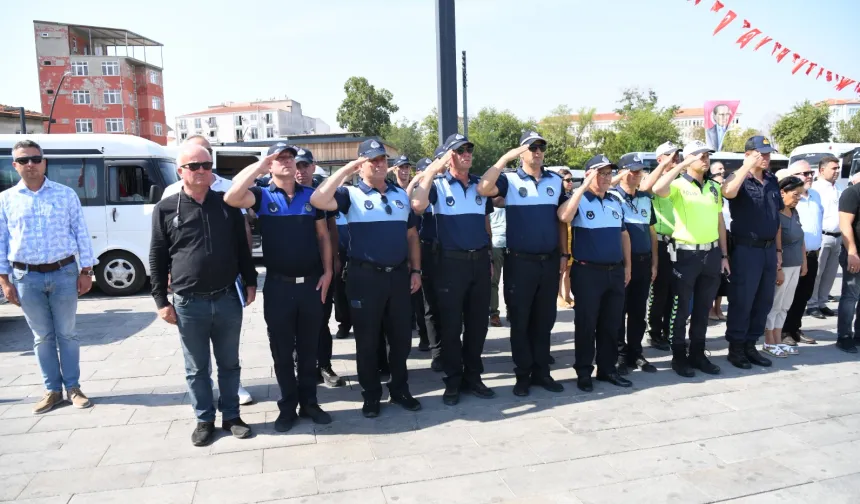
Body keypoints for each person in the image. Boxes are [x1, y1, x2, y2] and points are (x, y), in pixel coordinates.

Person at [150, 143, 257, 446]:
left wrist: (250, 283)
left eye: (206, 165)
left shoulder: (227, 205)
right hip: (188, 302)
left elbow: (242, 249)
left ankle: (232, 416)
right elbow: (157, 257)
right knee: (196, 368)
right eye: (193, 166)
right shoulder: (167, 208)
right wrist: (160, 301)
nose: (201, 171)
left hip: (226, 298)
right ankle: (204, 419)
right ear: (180, 171)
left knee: (229, 363)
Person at [223, 143, 334, 432]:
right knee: (282, 352)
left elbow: (323, 237)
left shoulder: (312, 197)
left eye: (290, 158)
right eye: (280, 158)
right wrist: (260, 165)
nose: (287, 162)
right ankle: (288, 406)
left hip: (311, 284)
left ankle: (310, 402)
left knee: (310, 350)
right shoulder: (260, 195)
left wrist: (329, 272)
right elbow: (233, 196)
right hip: (278, 286)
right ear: (270, 165)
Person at [310, 139, 423, 417]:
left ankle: (399, 389)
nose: (379, 164)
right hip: (364, 278)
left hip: (397, 277)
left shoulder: (400, 195)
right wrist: (348, 169)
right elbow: (318, 200)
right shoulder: (350, 195)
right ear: (361, 165)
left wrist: (416, 270)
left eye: (383, 159)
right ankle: (371, 394)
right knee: (368, 341)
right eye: (372, 160)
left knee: (400, 340)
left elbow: (411, 236)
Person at [0, 139, 96, 415]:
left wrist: (86, 270)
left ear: (44, 161)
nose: (30, 164)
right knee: (42, 337)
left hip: (64, 272)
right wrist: (4, 281)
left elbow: (80, 233)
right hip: (25, 276)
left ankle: (74, 388)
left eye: (35, 158)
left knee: (67, 334)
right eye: (24, 160)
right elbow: (1, 242)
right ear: (15, 165)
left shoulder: (65, 195)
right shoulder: (6, 200)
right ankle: (52, 390)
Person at [477, 130, 567, 396]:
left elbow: (561, 221)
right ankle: (523, 374)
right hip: (520, 262)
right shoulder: (510, 180)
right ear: (522, 152)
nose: (537, 152)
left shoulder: (554, 181)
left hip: (548, 261)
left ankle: (542, 371)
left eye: (541, 148)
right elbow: (483, 188)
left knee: (545, 319)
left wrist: (563, 254)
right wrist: (505, 157)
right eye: (532, 148)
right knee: (521, 320)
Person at [412, 133, 495, 405]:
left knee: (477, 324)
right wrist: (431, 171)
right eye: (460, 151)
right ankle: (453, 380)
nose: (467, 154)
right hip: (449, 264)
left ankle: (474, 376)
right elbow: (418, 205)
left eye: (469, 149)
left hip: (479, 262)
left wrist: (489, 258)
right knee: (450, 326)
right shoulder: (437, 185)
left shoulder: (479, 185)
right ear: (449, 157)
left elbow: (485, 224)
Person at [651, 140, 726, 377]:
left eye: (707, 155)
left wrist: (724, 254)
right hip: (686, 253)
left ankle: (698, 353)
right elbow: (657, 189)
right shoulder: (678, 185)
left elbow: (719, 221)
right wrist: (681, 163)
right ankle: (679, 356)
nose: (705, 159)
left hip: (711, 253)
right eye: (700, 156)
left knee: (703, 308)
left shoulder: (713, 187)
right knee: (681, 309)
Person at [558, 155, 631, 391]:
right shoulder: (579, 199)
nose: (606, 178)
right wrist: (581, 188)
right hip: (588, 272)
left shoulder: (614, 201)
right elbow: (564, 216)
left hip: (614, 271)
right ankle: (583, 371)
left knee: (612, 324)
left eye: (609, 174)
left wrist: (627, 266)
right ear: (588, 175)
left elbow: (623, 235)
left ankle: (607, 369)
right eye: (600, 173)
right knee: (587, 324)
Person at [722, 136, 782, 370]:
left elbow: (776, 218)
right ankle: (736, 348)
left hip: (768, 250)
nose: (766, 158)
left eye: (768, 154)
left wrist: (778, 250)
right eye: (761, 153)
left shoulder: (772, 180)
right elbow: (728, 192)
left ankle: (750, 345)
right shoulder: (738, 178)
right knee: (743, 300)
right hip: (747, 249)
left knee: (763, 301)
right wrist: (746, 166)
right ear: (748, 154)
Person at [291, 148, 346, 389]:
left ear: (313, 167)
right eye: (297, 166)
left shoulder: (320, 194)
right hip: (291, 269)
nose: (300, 171)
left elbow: (331, 229)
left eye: (305, 166)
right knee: (293, 322)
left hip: (318, 268)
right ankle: (301, 366)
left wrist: (332, 261)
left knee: (322, 320)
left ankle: (324, 365)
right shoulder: (281, 191)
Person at [608, 154, 658, 375]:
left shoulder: (646, 198)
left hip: (643, 262)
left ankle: (635, 353)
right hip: (620, 264)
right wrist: (618, 176)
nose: (638, 175)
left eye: (640, 171)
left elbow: (652, 232)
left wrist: (655, 262)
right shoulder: (611, 197)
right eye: (633, 171)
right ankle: (619, 354)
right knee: (618, 311)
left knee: (639, 312)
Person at [641, 142, 681, 351]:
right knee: (660, 291)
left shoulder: (681, 179)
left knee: (676, 292)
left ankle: (669, 331)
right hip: (661, 242)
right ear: (660, 159)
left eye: (676, 156)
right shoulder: (654, 179)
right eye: (670, 156)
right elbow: (645, 187)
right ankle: (655, 332)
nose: (675, 160)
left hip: (681, 242)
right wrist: (665, 166)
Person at [763, 176, 807, 357]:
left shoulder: (794, 212)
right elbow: (776, 243)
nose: (798, 198)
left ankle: (778, 340)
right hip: (783, 266)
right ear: (783, 192)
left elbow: (801, 239)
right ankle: (768, 341)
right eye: (795, 194)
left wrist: (803, 262)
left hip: (795, 265)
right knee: (774, 304)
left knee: (785, 305)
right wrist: (778, 268)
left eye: (800, 194)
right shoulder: (777, 215)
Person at [782, 161, 822, 345]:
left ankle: (795, 328)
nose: (809, 176)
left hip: (812, 254)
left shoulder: (815, 195)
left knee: (804, 295)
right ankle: (783, 331)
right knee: (787, 296)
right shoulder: (788, 202)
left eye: (810, 172)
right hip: (792, 256)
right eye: (804, 173)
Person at [808, 156, 842, 319]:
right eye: (833, 168)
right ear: (822, 170)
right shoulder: (815, 189)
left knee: (830, 273)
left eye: (837, 168)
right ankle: (812, 303)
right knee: (817, 272)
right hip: (822, 236)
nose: (837, 171)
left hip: (837, 236)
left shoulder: (837, 188)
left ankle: (822, 302)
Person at [708, 162, 729, 322]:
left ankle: (718, 308)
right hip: (710, 239)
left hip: (726, 240)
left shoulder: (726, 200)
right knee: (711, 281)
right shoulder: (710, 198)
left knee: (722, 279)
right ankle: (710, 309)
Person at [556, 168, 575, 308]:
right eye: (567, 180)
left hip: (571, 234)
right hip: (560, 236)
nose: (570, 183)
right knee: (560, 269)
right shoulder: (557, 197)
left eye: (571, 180)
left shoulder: (572, 195)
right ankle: (558, 296)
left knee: (569, 269)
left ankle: (568, 295)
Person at [489, 197, 507, 327]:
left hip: (512, 245)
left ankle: (513, 311)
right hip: (495, 245)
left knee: (513, 282)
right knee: (494, 281)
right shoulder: (488, 203)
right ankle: (494, 313)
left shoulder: (512, 201)